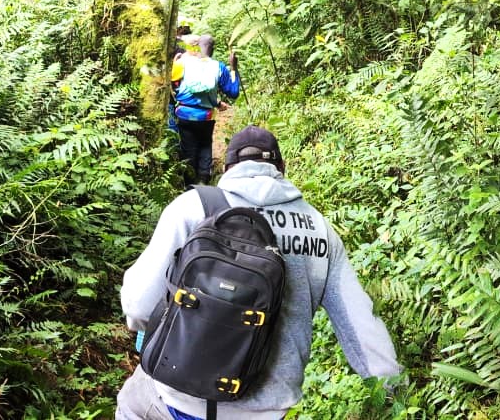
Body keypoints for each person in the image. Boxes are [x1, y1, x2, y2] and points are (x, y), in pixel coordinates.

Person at [117, 125, 402, 420]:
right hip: (267, 409)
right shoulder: (319, 230)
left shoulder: (193, 208)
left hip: (182, 397)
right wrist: (393, 389)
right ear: (282, 168)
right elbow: (359, 324)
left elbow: (138, 307)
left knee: (132, 402)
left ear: (227, 169)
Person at [171, 34, 239, 184]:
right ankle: (203, 178)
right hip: (207, 117)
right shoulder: (219, 67)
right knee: (205, 144)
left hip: (185, 114)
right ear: (212, 49)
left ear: (196, 47)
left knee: (188, 148)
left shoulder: (183, 64)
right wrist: (233, 68)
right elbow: (233, 92)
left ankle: (189, 183)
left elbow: (171, 84)